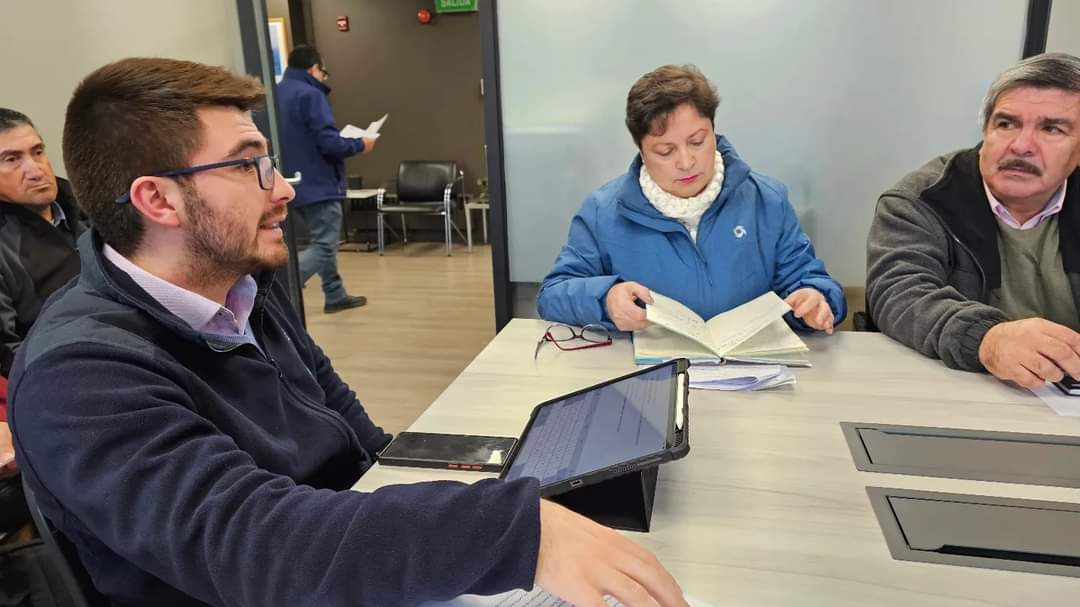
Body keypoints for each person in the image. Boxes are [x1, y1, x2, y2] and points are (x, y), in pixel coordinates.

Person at [8, 57, 688, 607]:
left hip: (342, 564)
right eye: (250, 165)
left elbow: (358, 443)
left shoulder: (242, 285)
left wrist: (484, 470)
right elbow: (256, 543)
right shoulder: (82, 375)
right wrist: (516, 531)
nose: (281, 189)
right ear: (157, 199)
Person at [536, 65, 845, 334]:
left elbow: (809, 280)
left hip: (753, 376)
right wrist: (605, 299)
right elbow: (552, 295)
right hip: (649, 376)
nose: (686, 162)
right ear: (641, 151)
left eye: (697, 141)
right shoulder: (603, 212)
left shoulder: (766, 200)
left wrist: (816, 299)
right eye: (665, 151)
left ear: (713, 131)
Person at [866, 52, 1080, 389]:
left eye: (1051, 128)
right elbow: (899, 295)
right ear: (986, 129)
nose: (1021, 146)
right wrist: (987, 338)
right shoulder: (923, 198)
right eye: (1006, 124)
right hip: (966, 390)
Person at [0, 107, 85, 539]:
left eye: (37, 151)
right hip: (61, 391)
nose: (35, 169)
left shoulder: (86, 204)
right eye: (10, 159)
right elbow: (6, 345)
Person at [278, 45, 372, 313]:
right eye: (323, 71)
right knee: (324, 245)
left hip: (290, 184)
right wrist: (360, 144)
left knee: (318, 242)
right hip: (318, 183)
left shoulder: (276, 93)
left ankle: (335, 294)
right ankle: (284, 286)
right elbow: (329, 143)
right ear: (314, 69)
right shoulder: (311, 94)